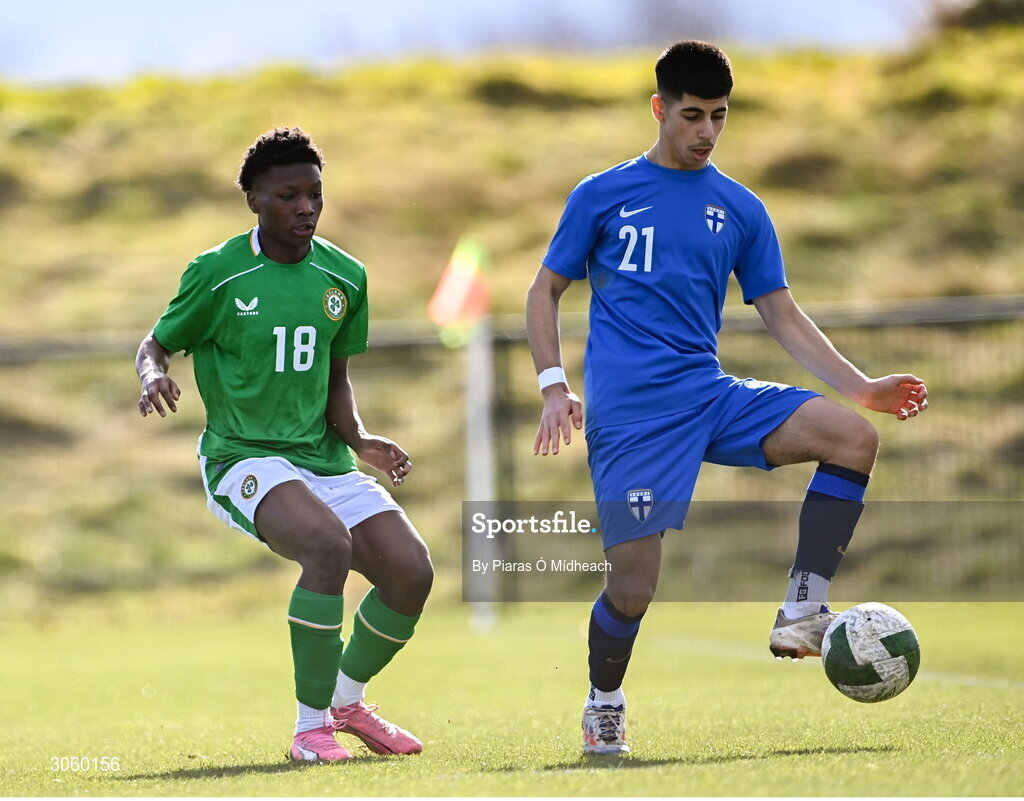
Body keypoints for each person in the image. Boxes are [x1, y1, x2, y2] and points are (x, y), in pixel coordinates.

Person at [526, 41, 928, 756]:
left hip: (709, 395)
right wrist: (554, 386)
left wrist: (860, 386)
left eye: (718, 116)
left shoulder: (740, 208)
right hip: (632, 419)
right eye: (691, 115)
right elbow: (544, 291)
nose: (706, 132)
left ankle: (803, 606)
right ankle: (605, 700)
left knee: (851, 437)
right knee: (634, 589)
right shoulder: (601, 194)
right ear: (659, 109)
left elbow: (780, 311)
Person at [136, 127, 433, 763]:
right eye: (286, 195)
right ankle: (308, 730)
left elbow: (336, 374)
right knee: (328, 546)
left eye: (314, 195)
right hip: (242, 457)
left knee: (411, 573)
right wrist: (153, 372)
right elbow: (156, 341)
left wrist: (358, 439)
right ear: (253, 201)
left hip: (319, 458)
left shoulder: (345, 276)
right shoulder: (217, 273)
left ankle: (345, 704)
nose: (305, 208)